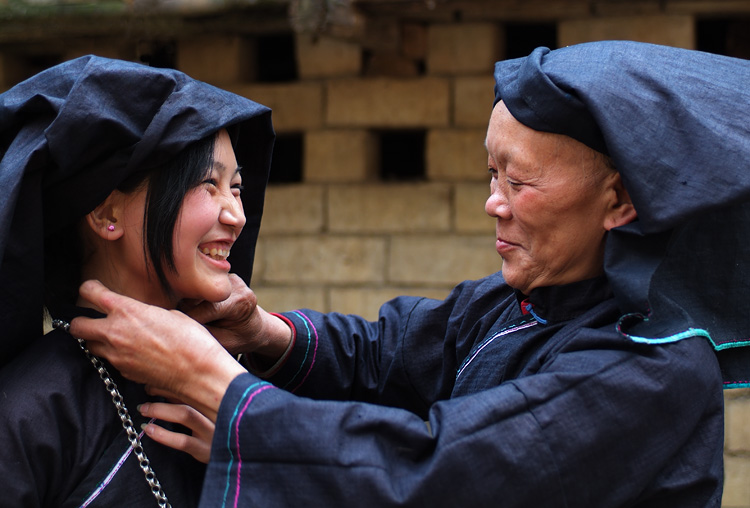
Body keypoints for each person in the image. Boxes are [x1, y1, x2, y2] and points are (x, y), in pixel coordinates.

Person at [68, 41, 750, 507]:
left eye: (521, 180)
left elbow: (442, 474)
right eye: (491, 173)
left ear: (621, 200)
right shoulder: (523, 302)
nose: (494, 201)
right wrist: (267, 334)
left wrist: (226, 396)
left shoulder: (649, 369)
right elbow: (392, 352)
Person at [0, 56, 274, 507]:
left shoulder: (235, 392)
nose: (237, 216)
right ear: (107, 214)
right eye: (209, 183)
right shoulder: (30, 412)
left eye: (237, 187)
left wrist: (253, 456)